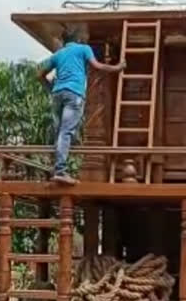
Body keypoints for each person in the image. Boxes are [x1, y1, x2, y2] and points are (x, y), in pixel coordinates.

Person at [39, 28, 125, 185]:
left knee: (59, 132)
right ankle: (60, 171)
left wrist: (51, 88)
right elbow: (96, 66)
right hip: (74, 94)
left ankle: (55, 170)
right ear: (77, 39)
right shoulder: (83, 49)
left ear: (65, 41)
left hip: (58, 94)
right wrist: (117, 68)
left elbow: (40, 74)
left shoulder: (58, 54)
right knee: (66, 132)